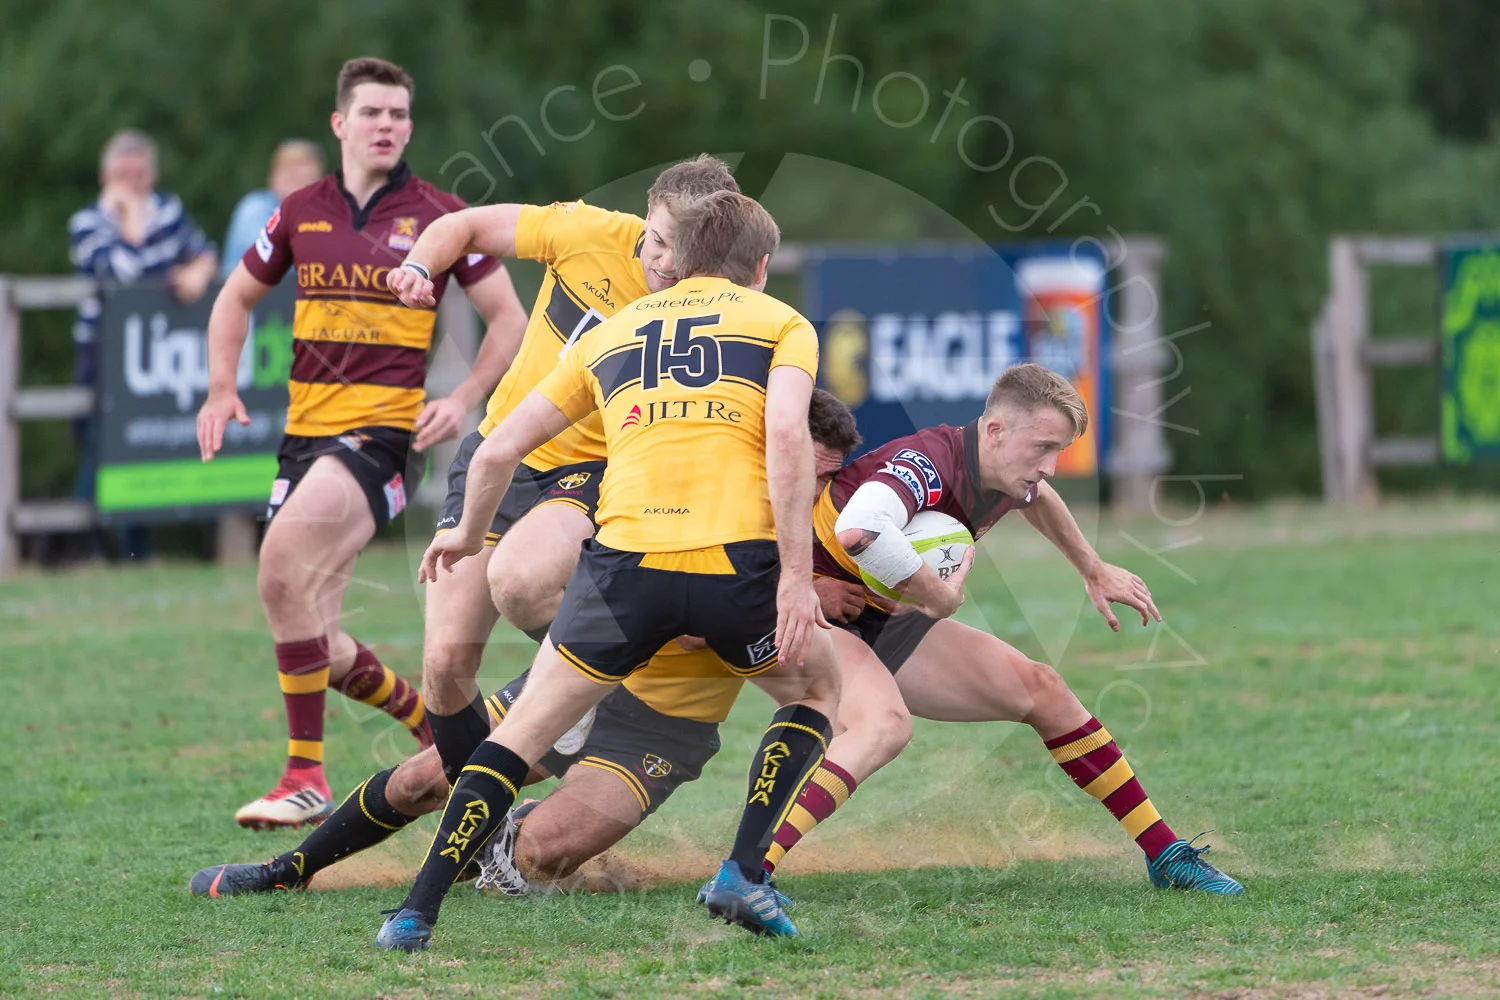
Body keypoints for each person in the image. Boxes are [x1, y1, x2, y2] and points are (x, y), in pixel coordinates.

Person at [375, 191, 840, 950]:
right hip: (733, 571)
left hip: (625, 570)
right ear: (759, 268)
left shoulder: (617, 330)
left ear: (678, 255)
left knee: (518, 733)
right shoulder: (781, 322)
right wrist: (794, 573)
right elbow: (788, 433)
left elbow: (494, 450)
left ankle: (416, 913)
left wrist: (464, 533)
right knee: (819, 689)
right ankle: (744, 872)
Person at [187, 393, 862, 900]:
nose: (813, 490)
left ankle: (531, 833)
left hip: (669, 726)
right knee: (427, 776)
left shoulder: (826, 536)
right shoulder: (673, 483)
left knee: (536, 857)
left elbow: (864, 628)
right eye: (804, 468)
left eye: (827, 478)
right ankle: (289, 870)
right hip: (590, 675)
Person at [750, 362, 1244, 895]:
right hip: (803, 612)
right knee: (884, 724)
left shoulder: (1007, 470)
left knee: (1044, 690)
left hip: (879, 614)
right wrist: (939, 596)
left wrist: (1092, 568)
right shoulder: (925, 464)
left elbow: (1038, 500)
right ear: (995, 431)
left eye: (1060, 451)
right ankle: (750, 870)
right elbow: (858, 531)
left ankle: (1166, 855)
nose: (1051, 466)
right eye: (1043, 448)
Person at [194, 57, 530, 830]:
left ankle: (305, 775)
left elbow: (508, 320)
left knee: (278, 568)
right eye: (373, 113)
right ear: (341, 124)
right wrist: (220, 387)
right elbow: (234, 298)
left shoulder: (440, 214)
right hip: (302, 436)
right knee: (313, 627)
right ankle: (433, 730)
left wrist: (463, 398)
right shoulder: (298, 210)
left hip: (382, 434)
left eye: (400, 115)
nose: (387, 126)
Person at [383, 155, 740, 813]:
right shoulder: (586, 231)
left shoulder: (715, 304)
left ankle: (587, 675)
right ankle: (478, 822)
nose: (664, 262)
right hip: (500, 456)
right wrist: (416, 266)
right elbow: (461, 227)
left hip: (596, 478)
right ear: (646, 213)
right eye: (658, 240)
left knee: (520, 583)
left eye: (684, 249)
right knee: (443, 670)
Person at [69, 129, 219, 560]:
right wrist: (132, 218)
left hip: (157, 350)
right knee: (99, 443)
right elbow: (126, 273)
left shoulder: (168, 211)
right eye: (121, 174)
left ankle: (139, 549)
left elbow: (202, 251)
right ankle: (90, 548)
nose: (130, 184)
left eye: (138, 175)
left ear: (152, 174)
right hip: (102, 347)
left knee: (145, 445)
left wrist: (198, 272)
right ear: (104, 176)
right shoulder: (87, 221)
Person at [220, 140, 326, 277]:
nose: (300, 189)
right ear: (274, 179)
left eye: (308, 181)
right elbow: (271, 255)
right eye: (293, 178)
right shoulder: (255, 208)